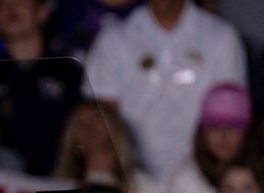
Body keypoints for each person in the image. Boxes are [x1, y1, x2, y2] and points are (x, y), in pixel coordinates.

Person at [83, 0, 247, 178]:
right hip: (133, 178)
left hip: (200, 178)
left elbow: (231, 121)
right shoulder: (114, 38)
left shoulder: (221, 37)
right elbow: (102, 121)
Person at [0, 0, 83, 176]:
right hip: (3, 185)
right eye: (2, 5)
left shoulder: (71, 72)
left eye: (21, 2)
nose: (11, 9)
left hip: (63, 182)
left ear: (43, 12)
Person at [161, 83, 255, 193]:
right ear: (202, 133)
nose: (224, 136)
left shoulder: (257, 173)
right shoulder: (186, 176)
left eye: (233, 126)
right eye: (215, 126)